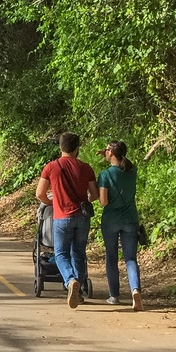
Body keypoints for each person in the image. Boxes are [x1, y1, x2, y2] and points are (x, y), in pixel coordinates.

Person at [36, 132, 98, 309]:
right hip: (82, 217)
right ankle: (77, 291)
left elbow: (39, 194)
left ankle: (70, 281)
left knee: (61, 253)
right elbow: (93, 195)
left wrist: (52, 202)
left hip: (62, 217)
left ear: (60, 147)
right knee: (78, 253)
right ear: (77, 148)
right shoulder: (86, 168)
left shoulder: (51, 167)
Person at [98, 140, 143, 311]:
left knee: (111, 257)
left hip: (111, 220)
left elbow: (103, 201)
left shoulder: (105, 175)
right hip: (131, 219)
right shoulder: (132, 171)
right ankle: (135, 290)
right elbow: (122, 165)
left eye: (107, 149)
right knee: (130, 258)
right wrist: (111, 153)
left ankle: (114, 296)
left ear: (111, 153)